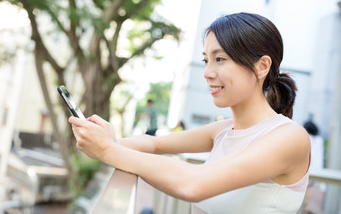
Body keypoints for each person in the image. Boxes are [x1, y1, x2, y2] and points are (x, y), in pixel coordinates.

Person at [69, 12, 311, 213]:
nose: (207, 72)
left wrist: (108, 150)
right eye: (206, 60)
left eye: (220, 59)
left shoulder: (290, 138)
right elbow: (155, 145)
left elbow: (193, 184)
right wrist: (108, 140)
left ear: (262, 66)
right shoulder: (225, 130)